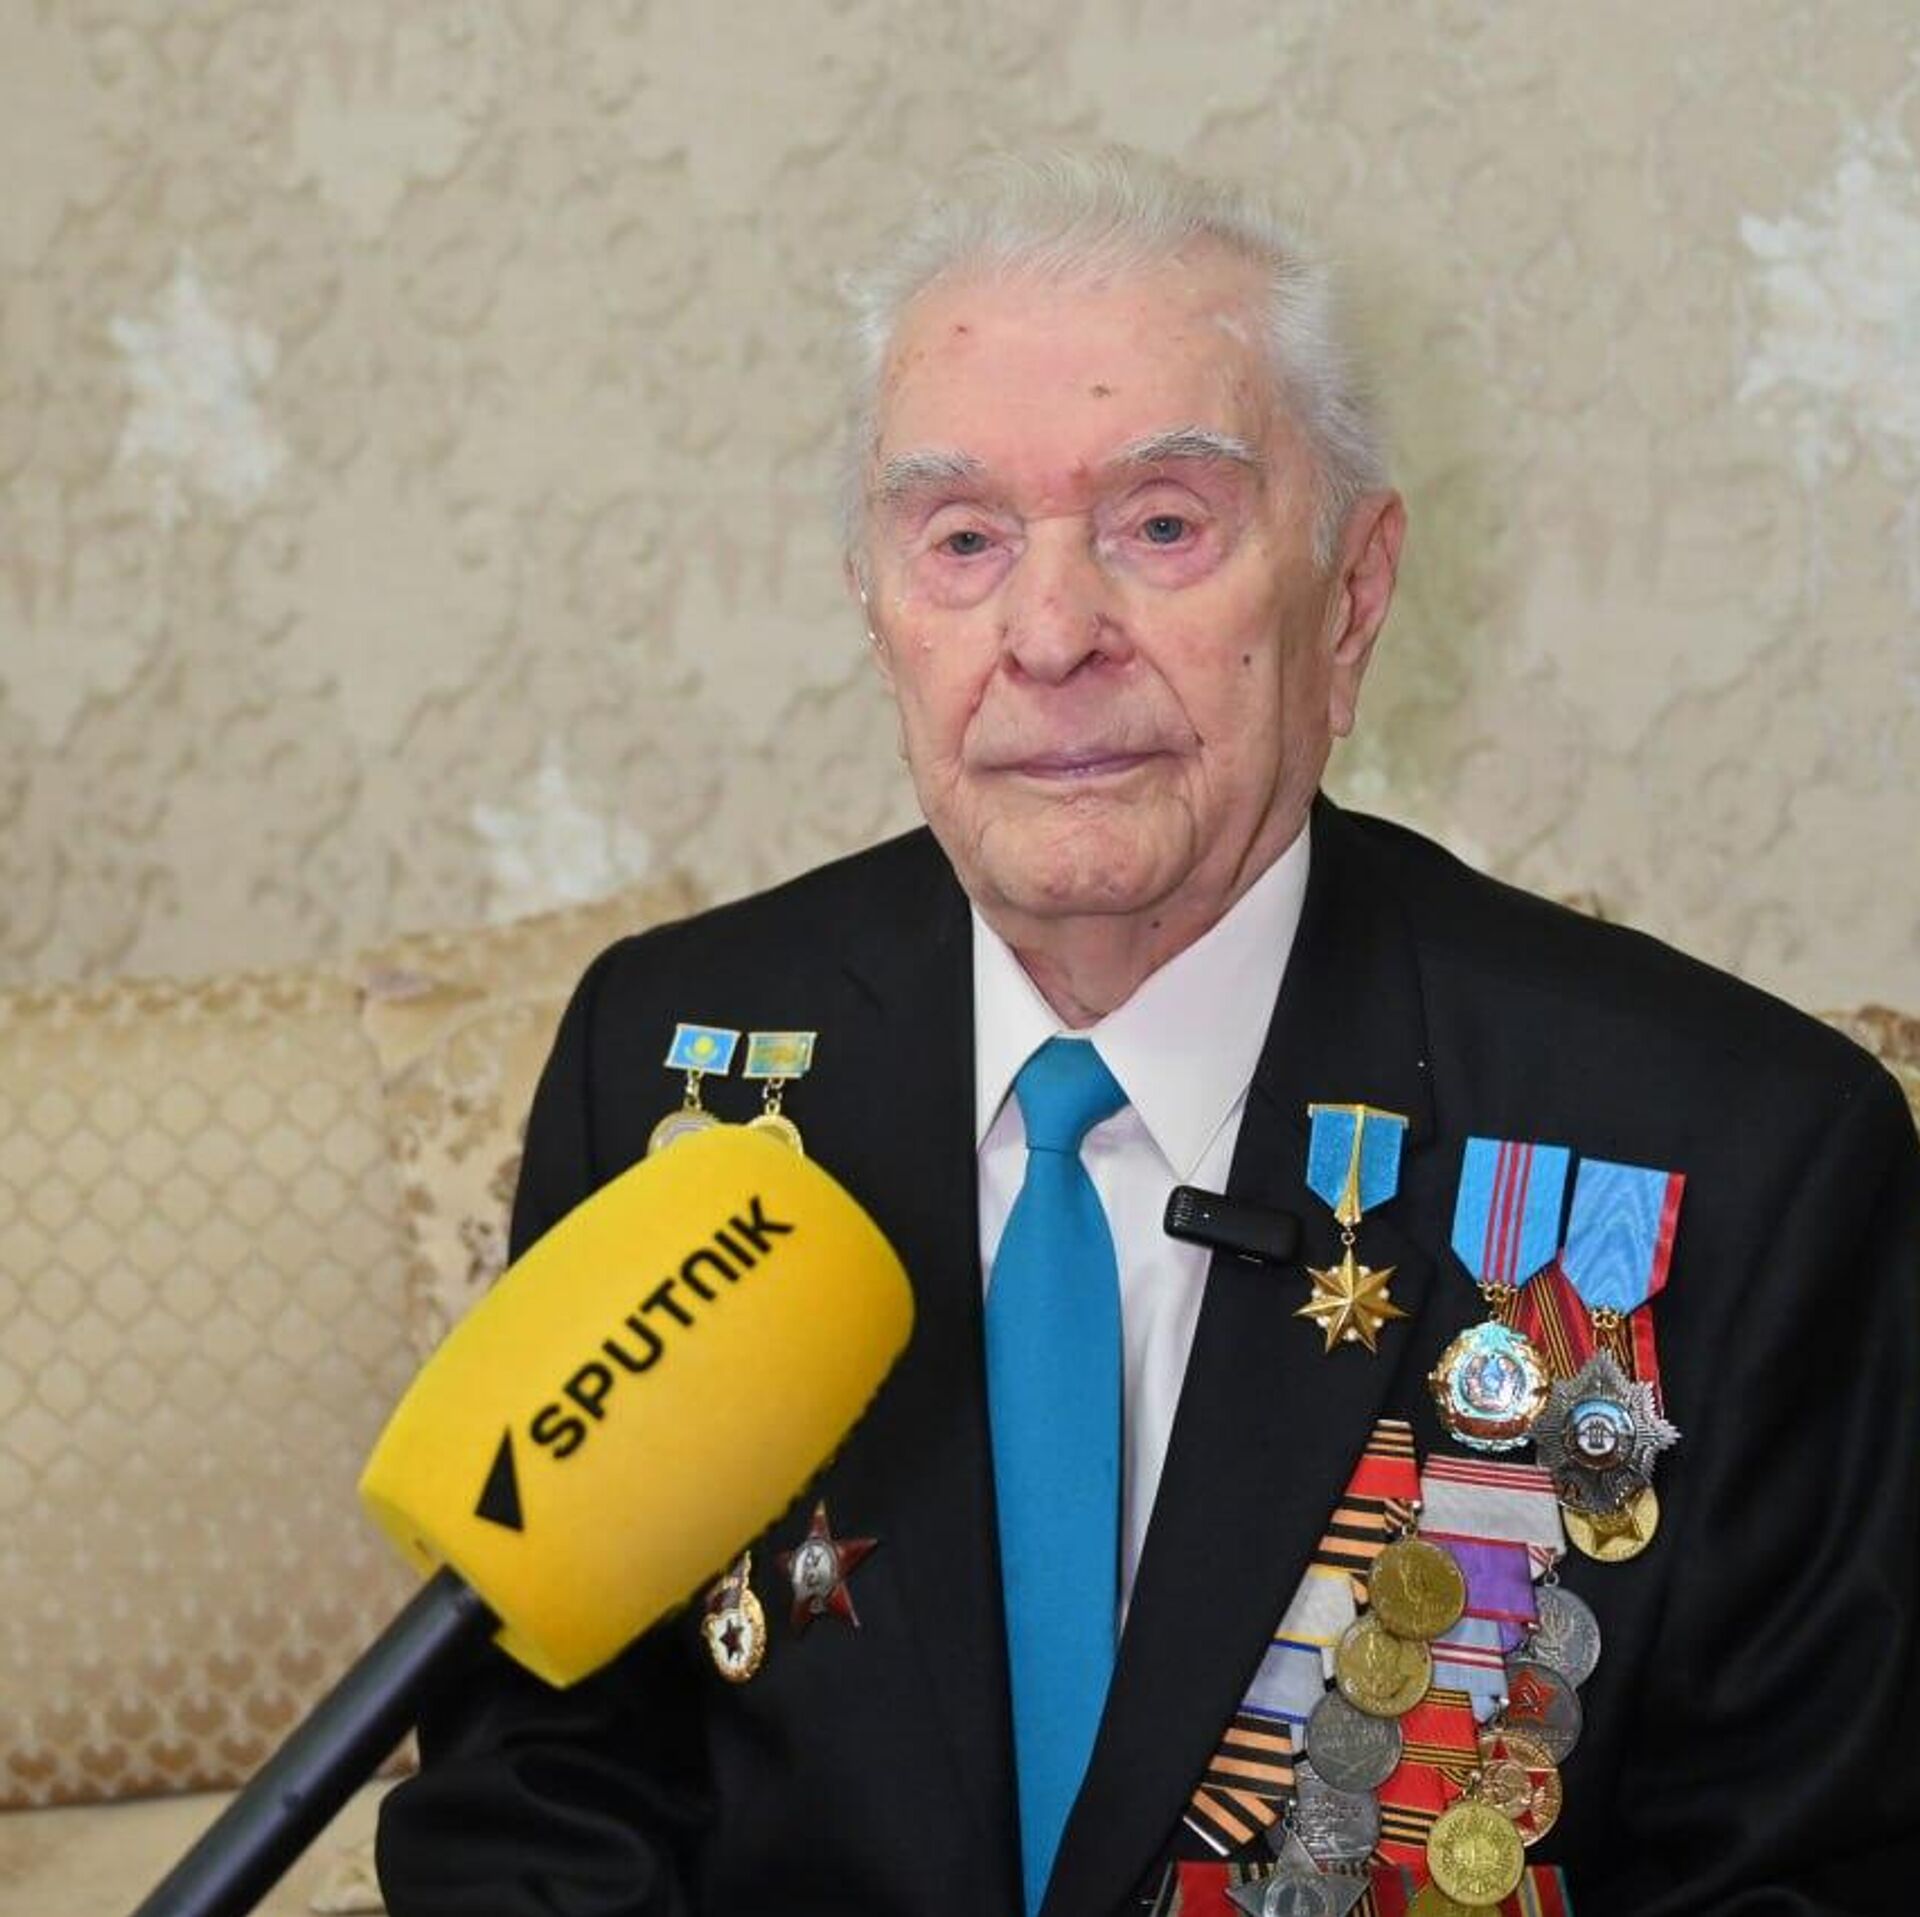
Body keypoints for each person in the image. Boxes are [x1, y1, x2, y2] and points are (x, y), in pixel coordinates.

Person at [376, 148, 1920, 1917]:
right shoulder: (675, 1062)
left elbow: (1807, 1874)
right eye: (963, 540)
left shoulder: (1742, 1154)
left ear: (1349, 597)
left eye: (1163, 525)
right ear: (877, 611)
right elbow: (538, 1787)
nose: (1049, 635)